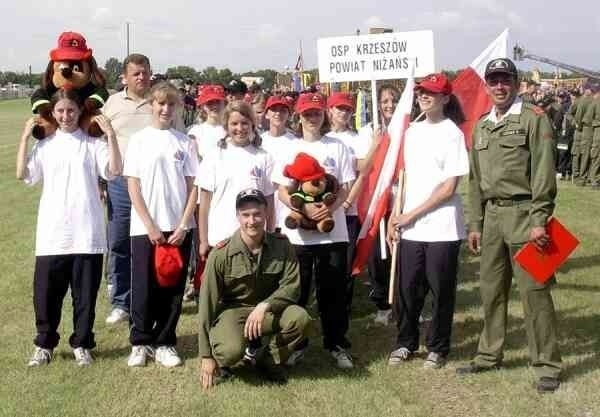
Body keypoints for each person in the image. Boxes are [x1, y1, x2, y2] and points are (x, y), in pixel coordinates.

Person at [457, 58, 562, 394]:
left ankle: (547, 364)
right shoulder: (482, 126)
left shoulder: (534, 119)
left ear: (516, 83)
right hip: (491, 221)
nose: (499, 86)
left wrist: (539, 220)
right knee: (491, 291)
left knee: (535, 294)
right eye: (494, 81)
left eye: (505, 80)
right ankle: (489, 354)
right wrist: (475, 223)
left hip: (525, 216)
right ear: (487, 85)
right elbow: (475, 180)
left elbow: (544, 173)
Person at [16, 88, 121, 366]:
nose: (65, 116)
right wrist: (26, 138)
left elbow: (113, 170)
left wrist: (110, 135)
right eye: (60, 111)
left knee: (84, 296)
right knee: (46, 295)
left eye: (71, 110)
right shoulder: (46, 144)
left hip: (87, 232)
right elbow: (23, 175)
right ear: (52, 113)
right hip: (52, 234)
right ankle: (44, 344)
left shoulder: (91, 143)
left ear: (80, 111)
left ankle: (82, 343)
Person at [385, 73, 468, 369]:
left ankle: (438, 347)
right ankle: (405, 342)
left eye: (431, 92)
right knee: (408, 288)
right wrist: (396, 215)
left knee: (441, 290)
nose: (424, 95)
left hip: (442, 228)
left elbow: (448, 188)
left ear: (445, 98)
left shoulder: (453, 133)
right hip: (410, 228)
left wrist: (410, 214)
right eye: (421, 91)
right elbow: (403, 180)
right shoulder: (411, 132)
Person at [272, 92, 356, 369]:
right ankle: (297, 345)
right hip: (298, 236)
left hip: (333, 232)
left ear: (325, 115)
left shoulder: (338, 146)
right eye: (307, 113)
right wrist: (304, 210)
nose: (312, 118)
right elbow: (281, 189)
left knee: (333, 292)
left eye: (317, 113)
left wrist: (329, 210)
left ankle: (336, 343)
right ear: (299, 116)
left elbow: (344, 188)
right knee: (298, 292)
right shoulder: (288, 147)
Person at [102, 54, 185, 325]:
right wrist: (101, 180)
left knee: (153, 243)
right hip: (120, 183)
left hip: (155, 186)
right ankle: (122, 301)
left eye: (145, 72)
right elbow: (101, 141)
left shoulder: (161, 101)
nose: (141, 77)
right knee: (119, 242)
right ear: (124, 77)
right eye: (135, 73)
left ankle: (151, 297)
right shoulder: (113, 103)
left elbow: (179, 138)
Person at [199, 189, 311, 389]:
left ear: (266, 214)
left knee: (300, 319)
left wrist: (265, 305)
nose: (252, 221)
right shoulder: (220, 253)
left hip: (268, 312)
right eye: (246, 215)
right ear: (238, 217)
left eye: (257, 214)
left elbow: (292, 287)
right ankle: (229, 356)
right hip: (234, 312)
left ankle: (265, 358)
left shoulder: (283, 246)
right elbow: (206, 304)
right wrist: (206, 356)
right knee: (231, 351)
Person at [123, 82, 199, 368]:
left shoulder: (185, 142)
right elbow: (134, 186)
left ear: (178, 107)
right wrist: (150, 225)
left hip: (178, 227)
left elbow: (193, 186)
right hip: (145, 228)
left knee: (173, 288)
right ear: (152, 105)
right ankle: (141, 342)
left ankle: (165, 341)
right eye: (160, 104)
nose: (165, 109)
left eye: (171, 104)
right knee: (143, 285)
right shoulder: (139, 140)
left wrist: (182, 225)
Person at [196, 100, 276, 266]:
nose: (239, 129)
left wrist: (270, 235)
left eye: (244, 123)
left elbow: (269, 202)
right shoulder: (214, 156)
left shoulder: (264, 157)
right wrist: (203, 240)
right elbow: (203, 204)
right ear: (226, 126)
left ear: (253, 125)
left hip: (254, 240)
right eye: (234, 123)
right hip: (220, 239)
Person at [357, 84, 401, 325]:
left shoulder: (408, 128)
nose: (389, 105)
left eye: (393, 100)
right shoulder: (367, 132)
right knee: (377, 255)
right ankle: (382, 303)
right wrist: (376, 143)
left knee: (400, 253)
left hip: (399, 198)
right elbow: (362, 166)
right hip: (376, 199)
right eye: (384, 101)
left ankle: (403, 301)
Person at [187, 85, 227, 160]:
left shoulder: (232, 130)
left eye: (218, 102)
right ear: (203, 106)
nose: (215, 106)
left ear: (224, 104)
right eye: (210, 102)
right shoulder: (195, 132)